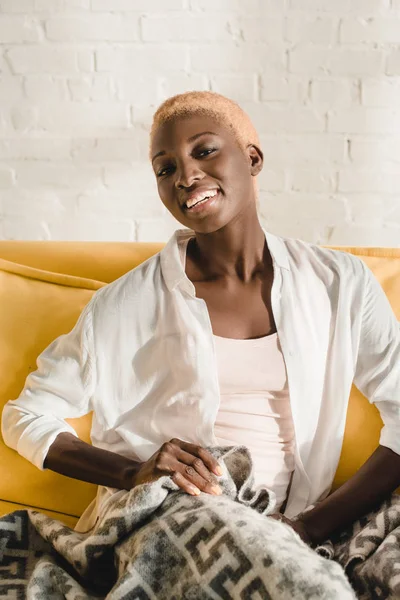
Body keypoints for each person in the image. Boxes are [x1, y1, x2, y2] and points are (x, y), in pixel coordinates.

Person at [2, 91, 400, 548]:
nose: (187, 176)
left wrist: (308, 529)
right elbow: (26, 415)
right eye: (165, 168)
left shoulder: (340, 283)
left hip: (295, 529)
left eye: (204, 151)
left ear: (252, 158)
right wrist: (132, 472)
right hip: (170, 520)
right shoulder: (122, 305)